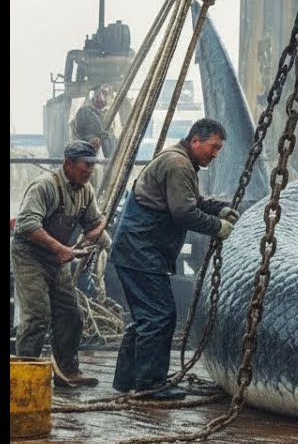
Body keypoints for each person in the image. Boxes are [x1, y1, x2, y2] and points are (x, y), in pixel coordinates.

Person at [110, 118, 238, 400]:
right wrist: (218, 227)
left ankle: (127, 379)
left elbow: (192, 202)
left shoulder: (179, 161)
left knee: (146, 316)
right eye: (213, 147)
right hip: (141, 252)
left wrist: (220, 208)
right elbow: (184, 213)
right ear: (196, 141)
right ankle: (150, 384)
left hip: (138, 251)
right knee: (159, 315)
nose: (215, 154)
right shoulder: (179, 164)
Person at [10, 141, 109, 388]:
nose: (90, 171)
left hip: (57, 258)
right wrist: (60, 249)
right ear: (68, 164)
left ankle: (67, 371)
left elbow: (94, 221)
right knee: (37, 317)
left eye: (93, 166)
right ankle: (25, 378)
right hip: (29, 256)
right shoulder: (45, 186)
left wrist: (104, 238)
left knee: (71, 315)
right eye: (86, 165)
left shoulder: (85, 191)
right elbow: (26, 225)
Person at [74, 84, 116, 158]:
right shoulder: (84, 111)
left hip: (103, 139)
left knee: (112, 139)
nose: (105, 97)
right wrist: (94, 136)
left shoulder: (105, 112)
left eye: (106, 94)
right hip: (87, 140)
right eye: (102, 94)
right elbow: (80, 130)